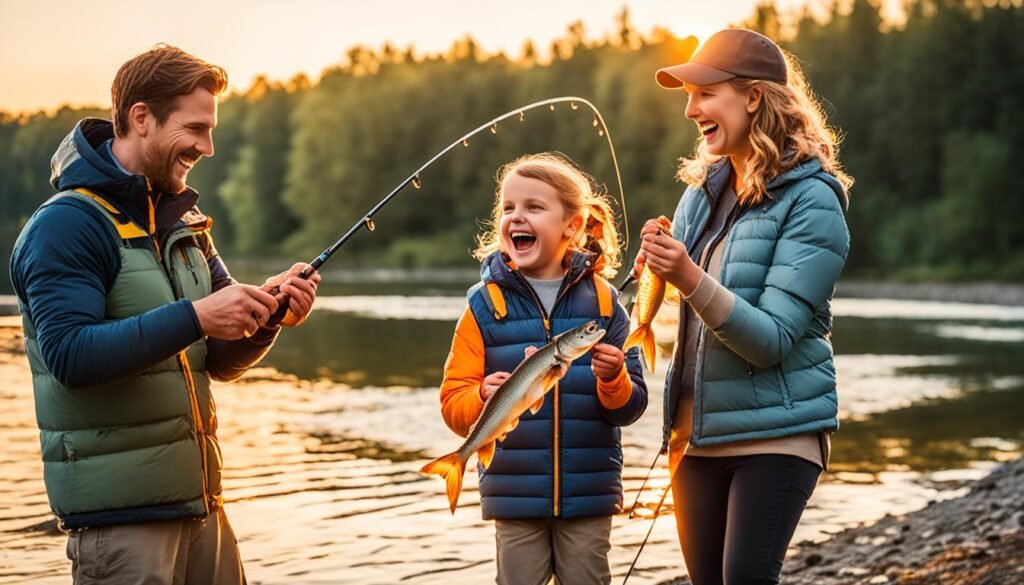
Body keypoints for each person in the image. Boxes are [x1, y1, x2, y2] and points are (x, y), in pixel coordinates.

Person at [9, 44, 320, 584]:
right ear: (141, 118)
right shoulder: (66, 225)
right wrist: (197, 316)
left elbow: (217, 360)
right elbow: (70, 357)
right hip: (122, 530)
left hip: (204, 511)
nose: (207, 147)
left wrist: (266, 316)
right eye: (195, 128)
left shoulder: (185, 224)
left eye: (210, 130)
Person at [636, 28, 853, 585]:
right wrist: (656, 270)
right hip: (694, 437)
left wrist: (686, 274)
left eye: (706, 94)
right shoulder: (701, 193)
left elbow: (772, 338)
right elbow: (695, 303)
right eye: (689, 96)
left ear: (754, 96)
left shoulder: (813, 200)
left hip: (777, 437)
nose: (691, 110)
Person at [437, 152, 648, 585]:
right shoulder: (483, 306)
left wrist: (614, 378)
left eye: (534, 207)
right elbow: (453, 406)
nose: (517, 216)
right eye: (508, 208)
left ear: (572, 225)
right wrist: (480, 395)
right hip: (513, 497)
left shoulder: (605, 304)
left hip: (589, 495)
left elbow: (631, 408)